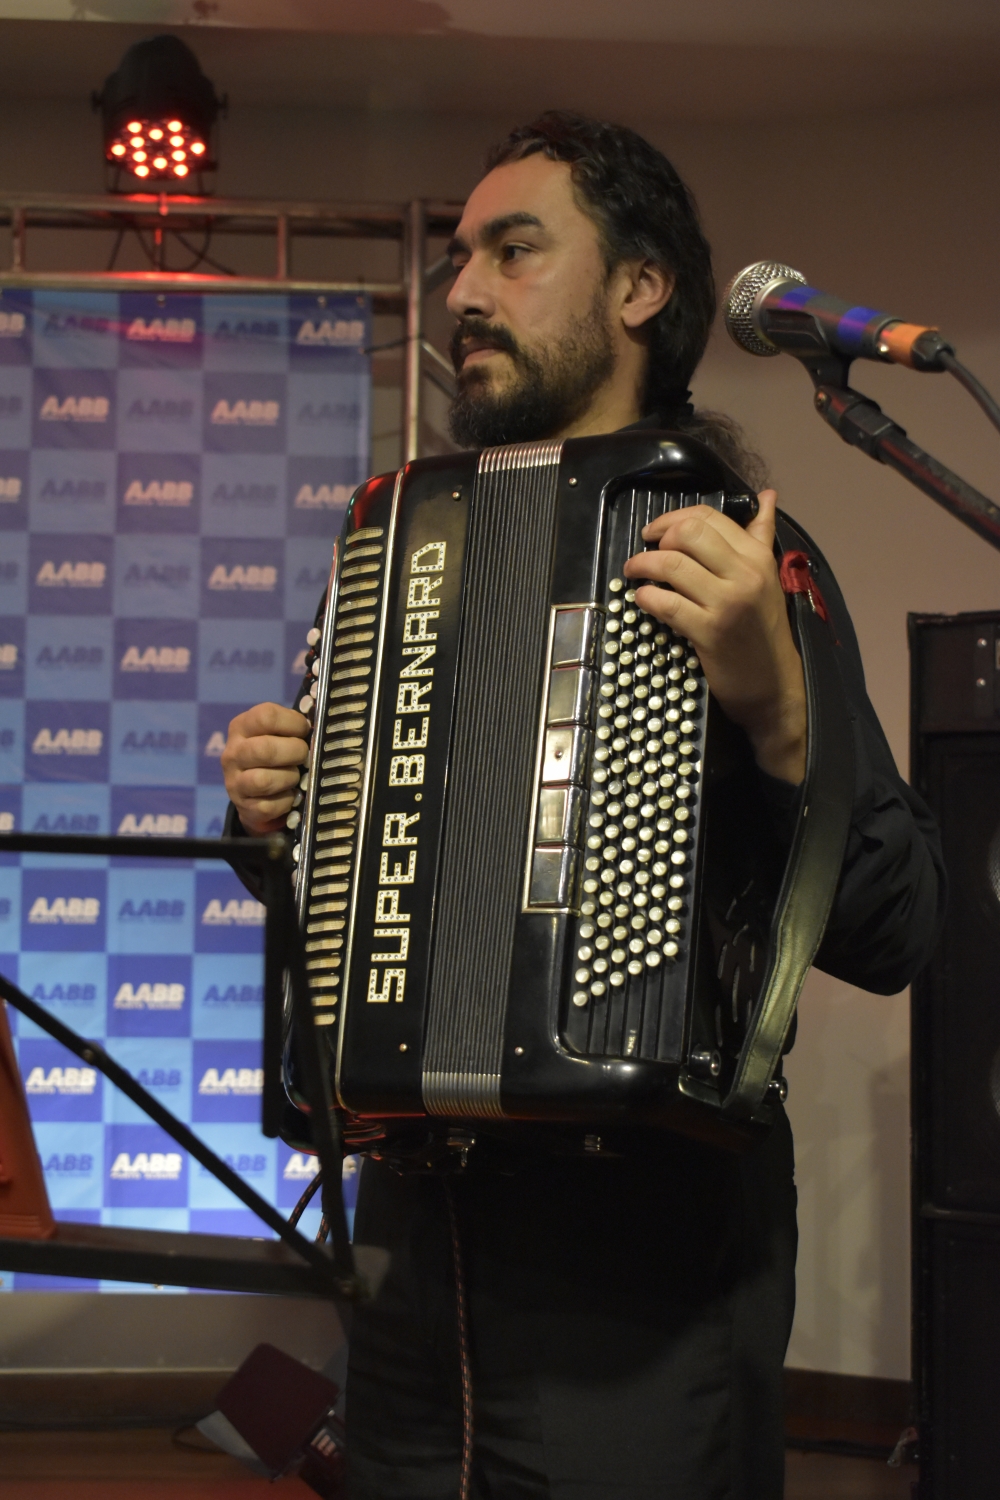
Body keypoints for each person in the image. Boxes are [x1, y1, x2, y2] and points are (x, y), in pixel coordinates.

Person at [221, 112, 944, 1500]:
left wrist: (780, 714)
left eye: (513, 250)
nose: (463, 292)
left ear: (640, 288)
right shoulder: (401, 547)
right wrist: (279, 816)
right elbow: (360, 887)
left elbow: (897, 926)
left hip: (646, 1285)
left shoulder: (744, 559)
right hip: (411, 1258)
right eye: (457, 259)